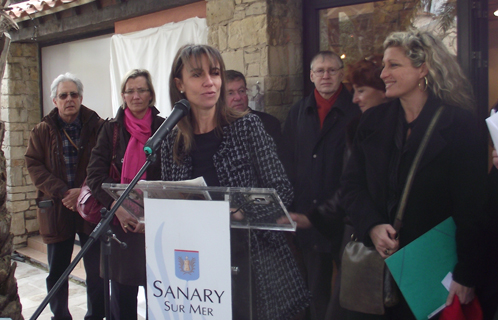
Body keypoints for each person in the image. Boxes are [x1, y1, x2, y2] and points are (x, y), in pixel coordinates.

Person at [341, 29, 487, 319]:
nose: (383, 74)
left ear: (424, 68)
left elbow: (473, 209)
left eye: (394, 65)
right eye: (384, 65)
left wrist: (466, 273)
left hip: (435, 275)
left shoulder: (461, 125)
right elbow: (351, 185)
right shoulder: (371, 122)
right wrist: (372, 225)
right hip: (378, 275)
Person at [160, 43, 310, 320]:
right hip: (198, 262)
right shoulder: (172, 139)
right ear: (179, 84)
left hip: (252, 261)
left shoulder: (247, 127)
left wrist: (241, 211)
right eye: (197, 74)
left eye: (215, 73)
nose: (209, 82)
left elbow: (281, 189)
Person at [281, 50, 361, 320]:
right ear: (312, 76)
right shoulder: (297, 113)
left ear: (341, 74)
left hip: (345, 219)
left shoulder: (355, 110)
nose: (326, 75)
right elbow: (286, 163)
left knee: (348, 296)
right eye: (320, 71)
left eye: (332, 70)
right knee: (314, 292)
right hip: (306, 218)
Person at [25, 72, 105, 320]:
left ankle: (96, 315)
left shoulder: (98, 127)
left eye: (73, 94)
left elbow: (104, 164)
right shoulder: (42, 131)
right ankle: (60, 316)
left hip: (90, 207)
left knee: (96, 270)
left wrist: (83, 191)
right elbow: (34, 166)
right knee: (57, 271)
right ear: (54, 100)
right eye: (63, 95)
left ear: (81, 97)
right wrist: (62, 192)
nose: (69, 99)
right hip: (57, 208)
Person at [86, 69, 164, 320]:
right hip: (123, 226)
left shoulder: (166, 128)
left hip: (158, 226)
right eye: (130, 90)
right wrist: (117, 207)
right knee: (122, 299)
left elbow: (176, 175)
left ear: (151, 94)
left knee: (161, 295)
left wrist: (154, 213)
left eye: (141, 90)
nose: (136, 95)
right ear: (123, 95)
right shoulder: (111, 130)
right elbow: (95, 175)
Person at [225, 70, 283, 150]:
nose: (238, 97)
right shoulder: (215, 128)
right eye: (230, 93)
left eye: (241, 91)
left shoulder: (269, 124)